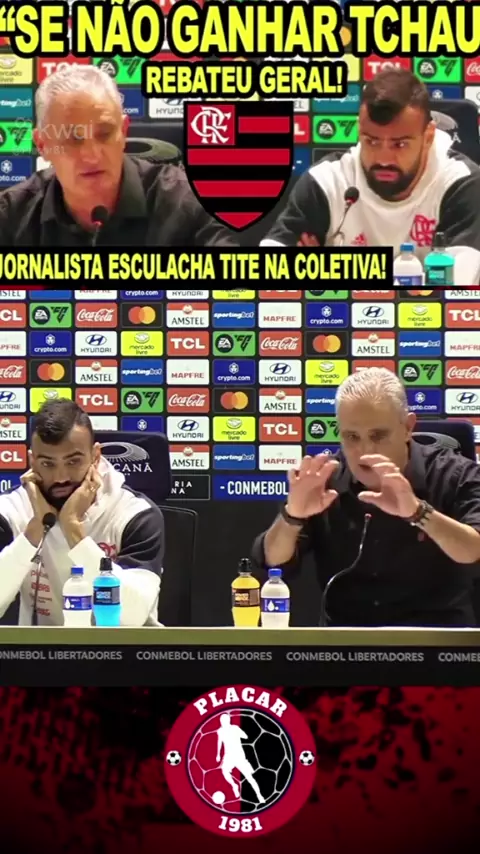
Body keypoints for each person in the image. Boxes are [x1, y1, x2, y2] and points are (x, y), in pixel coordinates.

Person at [251, 368, 480, 628]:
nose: (365, 450)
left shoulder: (455, 474)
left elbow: (474, 550)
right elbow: (274, 560)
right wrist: (292, 516)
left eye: (378, 436)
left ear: (407, 427)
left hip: (436, 640)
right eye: (352, 437)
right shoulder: (324, 481)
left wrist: (418, 512)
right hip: (345, 641)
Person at [260, 68, 480, 287]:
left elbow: (457, 289)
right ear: (359, 130)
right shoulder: (327, 182)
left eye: (400, 144)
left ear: (428, 137)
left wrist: (330, 273)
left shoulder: (460, 183)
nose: (383, 159)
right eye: (372, 141)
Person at [0, 65, 238, 246]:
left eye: (104, 134)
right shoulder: (11, 216)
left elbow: (233, 294)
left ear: (123, 132)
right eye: (73, 139)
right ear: (43, 145)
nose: (92, 156)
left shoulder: (190, 203)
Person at [0, 399, 164, 626]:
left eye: (73, 462)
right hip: (43, 648)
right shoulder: (11, 509)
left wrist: (73, 529)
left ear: (95, 456)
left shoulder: (134, 513)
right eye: (48, 464)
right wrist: (35, 530)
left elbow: (130, 619)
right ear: (32, 461)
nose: (61, 477)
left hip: (123, 647)